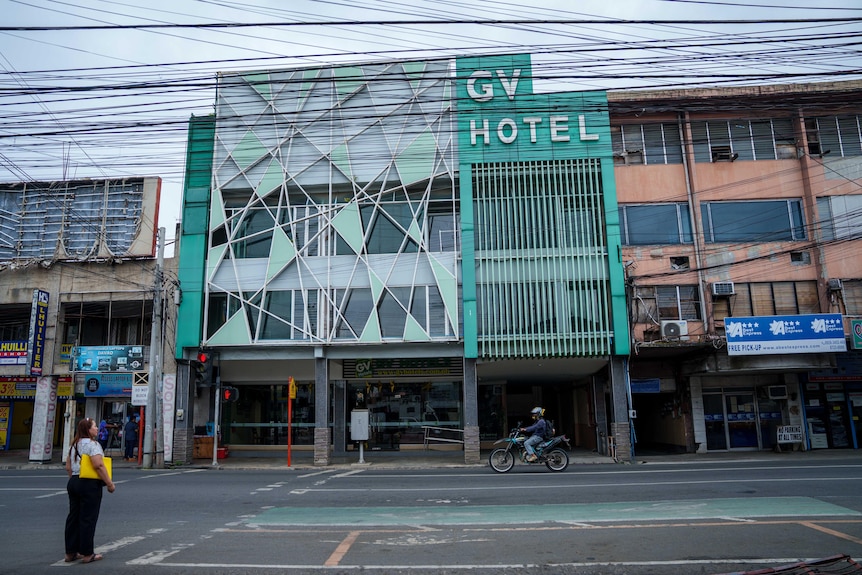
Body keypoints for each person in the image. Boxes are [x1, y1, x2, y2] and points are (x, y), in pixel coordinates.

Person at [64, 417, 115, 564]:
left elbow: (68, 466)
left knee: (73, 518)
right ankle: (87, 553)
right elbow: (98, 465)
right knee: (88, 518)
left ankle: (70, 552)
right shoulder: (93, 445)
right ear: (88, 430)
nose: (97, 429)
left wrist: (75, 480)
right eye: (94, 427)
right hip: (89, 484)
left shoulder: (73, 445)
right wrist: (109, 483)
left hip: (74, 481)